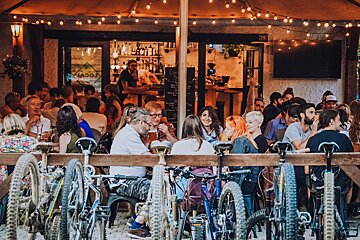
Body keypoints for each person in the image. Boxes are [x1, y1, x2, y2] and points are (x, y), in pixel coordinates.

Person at [110, 108, 152, 238]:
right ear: (141, 122)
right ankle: (137, 225)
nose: (149, 128)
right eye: (148, 124)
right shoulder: (129, 135)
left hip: (126, 179)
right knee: (158, 188)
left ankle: (137, 216)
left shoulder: (129, 133)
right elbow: (147, 158)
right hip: (124, 182)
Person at [306, 109, 353, 219]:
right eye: (338, 120)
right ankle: (345, 210)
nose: (341, 123)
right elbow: (351, 161)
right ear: (331, 121)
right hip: (340, 182)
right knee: (351, 179)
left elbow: (306, 169)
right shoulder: (344, 138)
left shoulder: (313, 139)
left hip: (318, 181)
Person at [283, 103, 318, 211]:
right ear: (302, 115)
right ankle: (303, 207)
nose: (314, 115)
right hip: (290, 164)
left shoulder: (313, 127)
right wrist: (313, 133)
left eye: (315, 112)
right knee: (305, 178)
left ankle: (312, 209)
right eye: (311, 112)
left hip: (305, 164)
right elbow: (299, 148)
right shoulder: (293, 128)